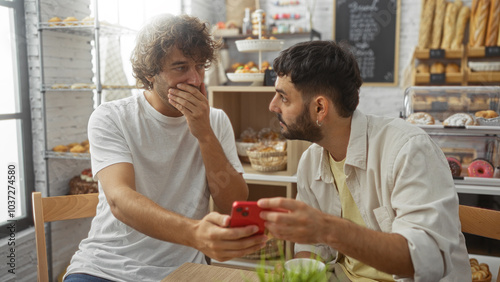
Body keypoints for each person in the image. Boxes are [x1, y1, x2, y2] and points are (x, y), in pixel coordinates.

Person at [64, 14, 268, 282]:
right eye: (181, 67)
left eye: (199, 66)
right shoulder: (111, 117)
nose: (195, 79)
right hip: (105, 267)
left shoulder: (215, 120)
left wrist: (205, 135)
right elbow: (119, 200)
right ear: (150, 72)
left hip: (183, 270)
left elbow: (231, 203)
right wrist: (195, 233)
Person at [257, 40, 471, 281]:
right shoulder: (311, 160)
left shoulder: (408, 149)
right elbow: (314, 245)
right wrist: (306, 272)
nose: (272, 105)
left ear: (320, 108)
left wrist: (328, 229)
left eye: (283, 98)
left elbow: (423, 259)